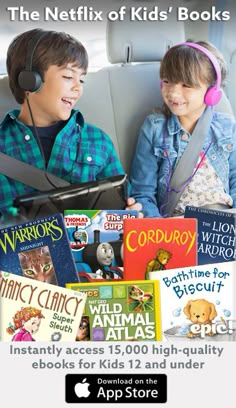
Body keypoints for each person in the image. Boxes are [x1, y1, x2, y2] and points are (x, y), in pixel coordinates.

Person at [0, 28, 141, 226]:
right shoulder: (3, 146)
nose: (78, 87)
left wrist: (130, 213)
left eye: (81, 79)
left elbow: (124, 207)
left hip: (93, 254)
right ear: (30, 80)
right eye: (68, 77)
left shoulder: (98, 141)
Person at [130, 41, 236, 218]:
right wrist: (160, 231)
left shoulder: (227, 128)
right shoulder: (154, 129)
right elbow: (142, 193)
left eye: (186, 85)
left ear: (212, 92)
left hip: (224, 223)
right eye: (167, 81)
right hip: (178, 227)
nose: (173, 92)